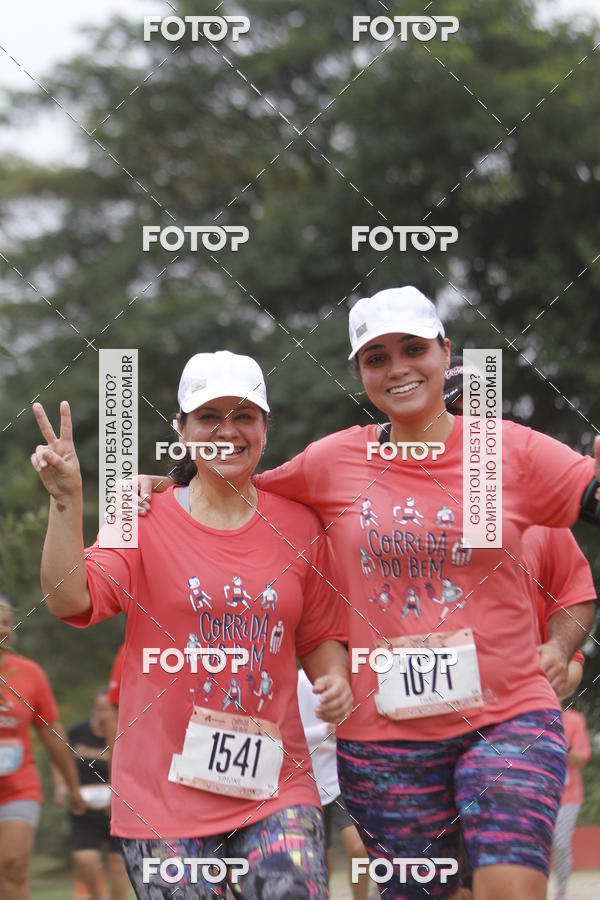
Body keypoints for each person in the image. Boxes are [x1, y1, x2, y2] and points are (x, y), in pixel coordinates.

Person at [138, 286, 599, 898]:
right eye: (377, 357)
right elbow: (238, 488)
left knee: (509, 885)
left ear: (445, 352)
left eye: (413, 349)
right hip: (382, 740)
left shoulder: (502, 449)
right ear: (361, 372)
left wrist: (560, 645)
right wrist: (165, 487)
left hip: (506, 716)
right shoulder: (332, 462)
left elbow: (581, 543)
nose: (398, 368)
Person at [31, 350, 352, 899]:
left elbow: (320, 632)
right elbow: (69, 599)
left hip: (275, 785)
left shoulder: (298, 523)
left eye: (243, 416)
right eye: (209, 417)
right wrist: (67, 503)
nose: (227, 431)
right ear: (181, 430)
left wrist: (335, 678)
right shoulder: (142, 517)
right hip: (163, 801)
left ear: (265, 428)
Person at [0, 596, 85, 900]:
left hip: (18, 788)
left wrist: (73, 785)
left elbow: (52, 735)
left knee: (13, 865)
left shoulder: (30, 674)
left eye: (6, 622)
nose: (1, 628)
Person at [296, 668, 370, 900]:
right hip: (308, 785)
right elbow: (286, 732)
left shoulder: (347, 678)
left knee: (359, 849)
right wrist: (324, 732)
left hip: (339, 781)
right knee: (320, 863)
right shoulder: (297, 680)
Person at [54, 689, 130, 900]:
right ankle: (97, 896)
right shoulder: (77, 732)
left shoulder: (125, 735)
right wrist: (61, 786)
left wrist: (118, 795)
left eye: (108, 710)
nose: (103, 715)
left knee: (117, 865)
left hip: (116, 810)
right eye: (99, 709)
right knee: (84, 858)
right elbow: (57, 756)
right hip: (83, 806)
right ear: (93, 709)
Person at [552, 706, 591, 900]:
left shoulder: (574, 720)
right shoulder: (532, 717)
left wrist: (564, 745)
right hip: (540, 793)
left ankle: (561, 889)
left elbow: (581, 759)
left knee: (560, 841)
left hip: (569, 796)